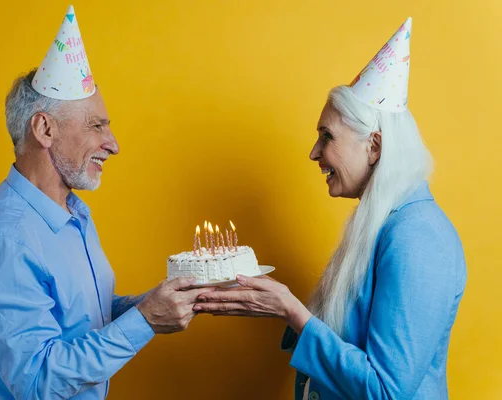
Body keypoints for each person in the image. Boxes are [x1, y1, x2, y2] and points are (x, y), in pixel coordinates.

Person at [194, 17, 466, 400]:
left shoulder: (417, 236)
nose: (314, 153)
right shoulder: (383, 222)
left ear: (374, 146)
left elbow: (387, 391)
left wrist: (293, 311)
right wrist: (276, 303)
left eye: (327, 136)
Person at [0, 6, 213, 399]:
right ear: (45, 129)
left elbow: (76, 322)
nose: (113, 144)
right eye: (96, 125)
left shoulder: (72, 214)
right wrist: (144, 320)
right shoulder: (6, 240)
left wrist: (151, 304)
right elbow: (37, 380)